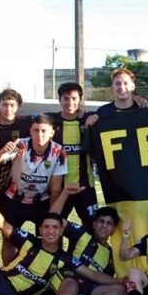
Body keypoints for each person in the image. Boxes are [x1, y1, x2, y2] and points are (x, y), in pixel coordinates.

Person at [46, 184, 127, 295]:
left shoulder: (110, 255)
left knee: (119, 291)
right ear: (94, 224)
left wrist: (121, 282)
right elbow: (53, 218)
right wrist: (65, 193)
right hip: (67, 278)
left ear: (113, 229)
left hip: (89, 289)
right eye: (101, 221)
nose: (104, 226)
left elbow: (100, 277)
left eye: (109, 223)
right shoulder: (81, 234)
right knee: (72, 283)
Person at [0, 114, 67, 264]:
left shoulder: (59, 151)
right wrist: (4, 151)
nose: (39, 135)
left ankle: (50, 270)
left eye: (44, 131)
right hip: (14, 199)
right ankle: (7, 274)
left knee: (52, 236)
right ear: (30, 131)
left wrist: (52, 215)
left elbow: (55, 189)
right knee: (9, 238)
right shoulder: (19, 145)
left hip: (40, 201)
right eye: (36, 130)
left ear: (52, 133)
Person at [47, 83, 100, 229]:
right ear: (59, 100)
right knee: (54, 226)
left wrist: (139, 100)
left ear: (80, 100)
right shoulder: (50, 120)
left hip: (85, 187)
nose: (70, 102)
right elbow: (19, 120)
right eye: (66, 98)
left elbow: (115, 114)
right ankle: (56, 253)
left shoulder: (89, 119)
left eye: (74, 98)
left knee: (92, 228)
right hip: (58, 188)